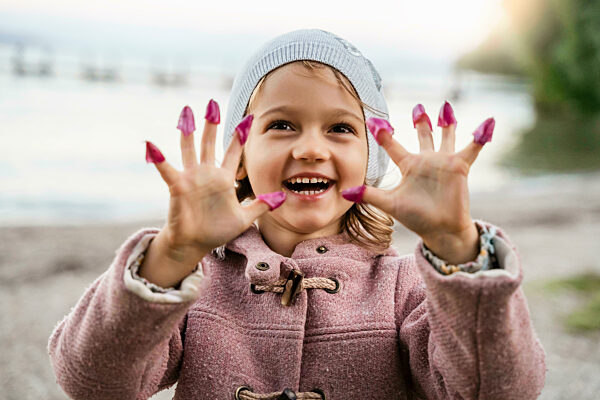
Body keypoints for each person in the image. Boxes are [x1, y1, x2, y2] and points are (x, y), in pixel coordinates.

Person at [47, 29, 546, 399]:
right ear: (240, 153)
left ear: (373, 156)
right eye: (283, 124)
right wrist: (170, 255)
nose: (310, 148)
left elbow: (497, 391)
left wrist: (458, 248)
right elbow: (92, 381)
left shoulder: (403, 288)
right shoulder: (197, 283)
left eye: (341, 129)